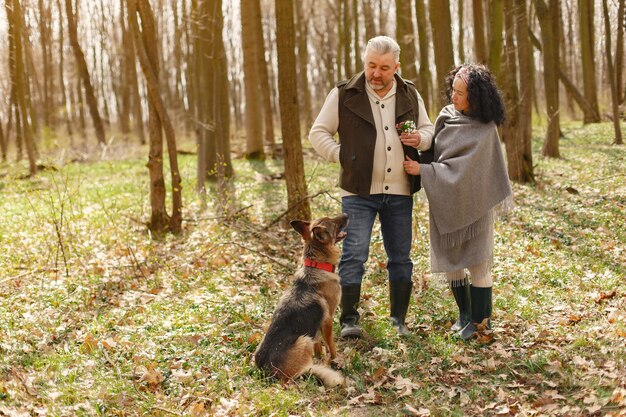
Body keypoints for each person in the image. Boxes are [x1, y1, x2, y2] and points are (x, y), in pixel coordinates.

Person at [309, 36, 434, 337]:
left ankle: (398, 321)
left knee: (401, 257)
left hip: (400, 189)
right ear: (364, 61)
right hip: (358, 191)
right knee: (354, 255)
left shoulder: (409, 93)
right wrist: (341, 155)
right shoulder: (344, 93)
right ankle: (349, 321)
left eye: (384, 68)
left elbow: (429, 129)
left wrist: (421, 139)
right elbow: (318, 132)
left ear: (396, 67)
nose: (376, 74)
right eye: (371, 66)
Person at [403, 64, 513, 340]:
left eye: (460, 93)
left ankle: (481, 322)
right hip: (445, 200)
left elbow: (468, 169)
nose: (453, 96)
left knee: (477, 262)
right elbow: (436, 149)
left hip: (476, 203)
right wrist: (419, 142)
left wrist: (424, 171)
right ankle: (464, 316)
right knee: (452, 261)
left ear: (475, 97)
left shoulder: (486, 129)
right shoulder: (446, 116)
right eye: (453, 89)